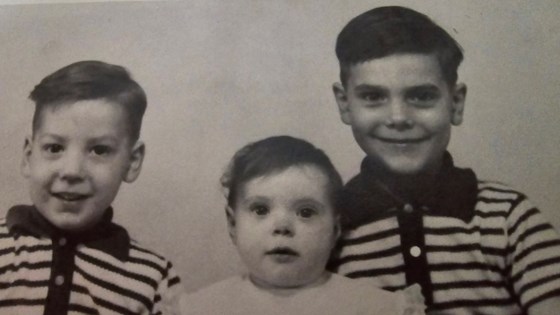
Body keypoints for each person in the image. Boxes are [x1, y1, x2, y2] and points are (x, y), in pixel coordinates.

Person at [329, 5, 560, 315]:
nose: (398, 118)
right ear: (345, 105)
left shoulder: (510, 220)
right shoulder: (328, 228)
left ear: (456, 102)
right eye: (373, 97)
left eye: (422, 96)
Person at [0, 60, 183, 314]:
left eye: (99, 150)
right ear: (29, 156)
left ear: (132, 162)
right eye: (54, 148)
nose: (72, 171)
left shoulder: (153, 278)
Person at [180, 135, 425, 314]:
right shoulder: (203, 308)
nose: (282, 226)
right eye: (261, 210)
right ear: (233, 225)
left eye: (306, 212)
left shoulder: (374, 308)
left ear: (335, 231)